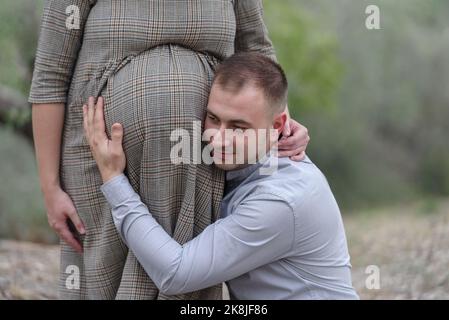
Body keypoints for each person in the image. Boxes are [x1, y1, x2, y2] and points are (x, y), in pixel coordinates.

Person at [29, 0, 309, 299]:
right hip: (97, 158)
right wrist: (50, 187)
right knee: (102, 282)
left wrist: (281, 126)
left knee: (183, 275)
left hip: (201, 166)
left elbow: (258, 53)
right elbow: (50, 77)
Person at [83, 52, 359, 299]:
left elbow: (176, 274)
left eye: (238, 127)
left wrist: (113, 178)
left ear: (277, 125)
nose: (218, 140)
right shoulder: (252, 162)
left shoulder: (281, 199)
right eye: (213, 119)